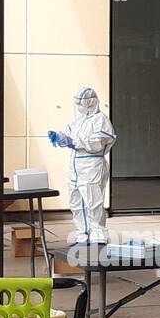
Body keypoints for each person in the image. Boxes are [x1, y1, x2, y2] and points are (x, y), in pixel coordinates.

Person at [49, 86, 116, 244]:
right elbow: (68, 133)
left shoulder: (101, 120)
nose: (78, 106)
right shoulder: (79, 120)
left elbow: (97, 142)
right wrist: (59, 137)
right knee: (76, 201)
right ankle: (82, 233)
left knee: (93, 201)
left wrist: (73, 142)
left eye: (81, 103)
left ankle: (98, 234)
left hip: (92, 165)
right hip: (76, 165)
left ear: (90, 102)